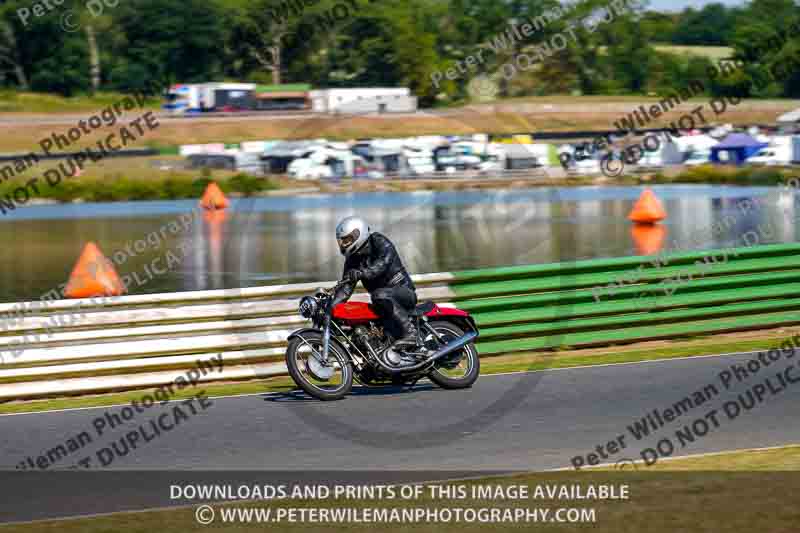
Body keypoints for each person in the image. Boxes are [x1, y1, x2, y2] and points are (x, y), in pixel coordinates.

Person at [331, 216, 418, 349]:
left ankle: (411, 333)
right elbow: (345, 290)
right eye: (342, 241)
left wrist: (362, 272)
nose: (343, 244)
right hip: (382, 302)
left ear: (357, 235)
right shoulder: (352, 260)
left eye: (347, 240)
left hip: (403, 292)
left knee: (379, 294)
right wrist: (330, 308)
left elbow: (383, 263)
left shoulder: (379, 241)